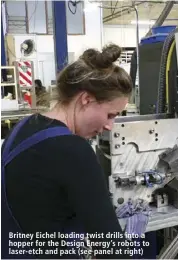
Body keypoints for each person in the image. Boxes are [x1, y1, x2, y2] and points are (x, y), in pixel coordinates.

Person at [2, 44, 133, 259]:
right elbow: (112, 248)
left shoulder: (21, 128)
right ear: (86, 99)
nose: (111, 125)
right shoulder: (74, 152)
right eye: (111, 115)